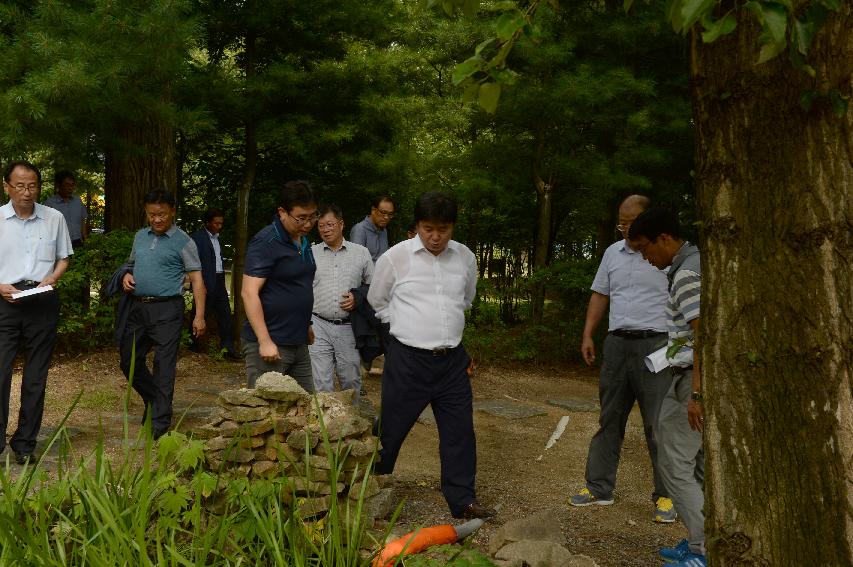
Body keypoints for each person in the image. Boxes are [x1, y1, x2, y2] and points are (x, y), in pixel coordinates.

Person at [368, 191, 495, 520]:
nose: (435, 237)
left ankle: (462, 499)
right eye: (427, 229)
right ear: (417, 226)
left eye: (443, 229)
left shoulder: (465, 258)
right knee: (390, 429)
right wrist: (404, 331)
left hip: (452, 362)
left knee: (460, 433)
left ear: (453, 226)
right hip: (408, 360)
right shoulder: (396, 258)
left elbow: (465, 300)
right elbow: (378, 301)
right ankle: (366, 487)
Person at [569, 195, 676, 523]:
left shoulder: (666, 253)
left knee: (658, 423)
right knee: (609, 418)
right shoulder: (612, 254)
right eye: (622, 223)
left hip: (657, 345)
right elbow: (600, 293)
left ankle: (667, 496)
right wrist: (589, 334)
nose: (626, 229)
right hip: (617, 344)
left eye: (631, 223)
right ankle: (599, 487)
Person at [628, 207, 705, 567]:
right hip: (685, 377)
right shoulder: (692, 264)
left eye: (646, 249)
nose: (647, 259)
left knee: (674, 463)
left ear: (664, 239)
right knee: (697, 464)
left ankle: (704, 550)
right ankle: (702, 541)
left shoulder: (688, 273)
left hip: (692, 380)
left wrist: (697, 394)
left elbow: (704, 335)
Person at [0, 161, 73, 464]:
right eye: (19, 185)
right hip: (5, 302)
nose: (26, 192)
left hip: (42, 301)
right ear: (7, 187)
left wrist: (53, 277)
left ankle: (25, 444)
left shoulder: (54, 218)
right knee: (1, 373)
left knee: (35, 376)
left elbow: (64, 257)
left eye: (32, 185)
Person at [120, 189, 206, 440]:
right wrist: (126, 275)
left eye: (162, 214)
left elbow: (198, 281)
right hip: (138, 308)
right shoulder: (140, 236)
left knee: (164, 365)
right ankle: (153, 399)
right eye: (152, 214)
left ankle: (160, 424)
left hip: (168, 308)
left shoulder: (184, 241)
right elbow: (131, 265)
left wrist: (198, 316)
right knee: (128, 360)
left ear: (172, 212)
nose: (157, 220)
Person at [241, 180, 318, 391]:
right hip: (271, 343)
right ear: (282, 212)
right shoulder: (266, 242)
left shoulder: (303, 240)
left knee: (307, 408)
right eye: (301, 218)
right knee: (264, 413)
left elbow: (298, 285)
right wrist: (264, 340)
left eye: (313, 216)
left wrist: (307, 323)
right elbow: (249, 293)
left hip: (298, 340)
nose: (308, 223)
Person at [308, 204, 373, 398]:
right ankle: (323, 426)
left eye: (330, 224)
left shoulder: (361, 253)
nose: (325, 230)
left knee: (351, 381)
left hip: (349, 326)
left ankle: (351, 423)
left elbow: (374, 286)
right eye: (320, 226)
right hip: (318, 323)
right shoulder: (311, 253)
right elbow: (302, 288)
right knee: (320, 382)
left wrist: (358, 297)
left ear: (341, 224)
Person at [190, 209, 239, 361]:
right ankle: (193, 345)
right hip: (204, 281)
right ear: (207, 222)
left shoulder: (218, 238)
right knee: (200, 313)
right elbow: (194, 263)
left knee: (225, 315)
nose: (219, 226)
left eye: (221, 223)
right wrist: (199, 283)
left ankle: (228, 348)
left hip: (219, 280)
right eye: (216, 223)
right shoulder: (197, 238)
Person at [44, 170, 88, 250]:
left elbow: (82, 221)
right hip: (59, 245)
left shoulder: (78, 201)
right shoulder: (49, 204)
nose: (70, 188)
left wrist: (85, 239)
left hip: (77, 243)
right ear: (58, 185)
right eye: (67, 185)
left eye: (72, 185)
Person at [349, 195, 395, 263]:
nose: (386, 217)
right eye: (383, 212)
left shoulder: (384, 230)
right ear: (373, 210)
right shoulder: (360, 229)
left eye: (390, 214)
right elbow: (356, 262)